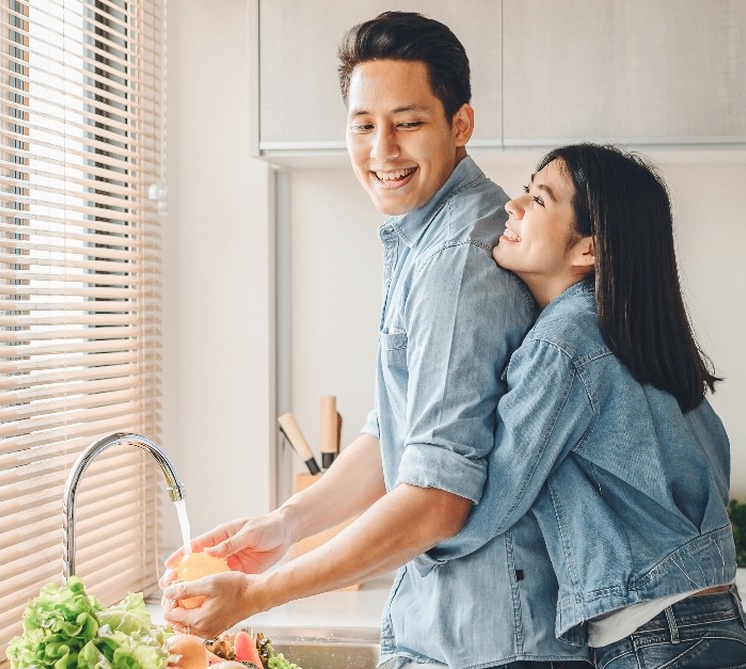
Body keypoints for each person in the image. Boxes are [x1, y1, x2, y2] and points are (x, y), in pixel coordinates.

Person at [160, 11, 589, 669]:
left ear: (461, 124)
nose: (382, 149)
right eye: (364, 125)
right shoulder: (427, 239)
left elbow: (436, 500)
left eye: (408, 122)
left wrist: (256, 592)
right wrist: (285, 524)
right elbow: (396, 439)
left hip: (486, 644)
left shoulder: (454, 261)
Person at [422, 144, 746, 669]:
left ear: (588, 249)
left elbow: (497, 498)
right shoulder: (637, 337)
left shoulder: (564, 342)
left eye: (538, 200)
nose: (512, 206)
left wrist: (412, 546)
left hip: (658, 639)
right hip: (719, 627)